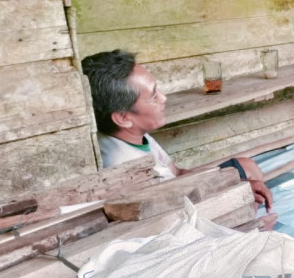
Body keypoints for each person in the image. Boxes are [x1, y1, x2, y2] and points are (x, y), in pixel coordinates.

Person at [81, 49, 273, 212]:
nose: (163, 99)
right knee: (248, 195)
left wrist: (235, 180)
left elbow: (177, 172)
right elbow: (170, 210)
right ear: (123, 118)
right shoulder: (124, 166)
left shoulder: (131, 134)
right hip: (178, 212)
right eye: (154, 96)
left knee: (245, 167)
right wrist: (236, 188)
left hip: (177, 192)